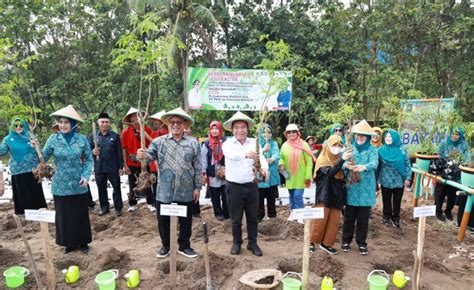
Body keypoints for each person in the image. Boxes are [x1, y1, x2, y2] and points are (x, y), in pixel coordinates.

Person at [137, 107, 202, 259]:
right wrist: (141, 155)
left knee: (186, 221)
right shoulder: (159, 142)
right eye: (172, 122)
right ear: (167, 124)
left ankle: (184, 246)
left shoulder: (193, 144)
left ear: (184, 124)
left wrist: (198, 187)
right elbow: (148, 157)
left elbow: (198, 167)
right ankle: (166, 245)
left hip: (186, 190)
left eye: (179, 122)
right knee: (163, 221)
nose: (176, 125)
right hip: (164, 191)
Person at [41, 105, 93, 254]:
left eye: (66, 122)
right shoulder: (53, 139)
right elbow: (42, 158)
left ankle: (83, 242)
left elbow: (89, 159)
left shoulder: (81, 140)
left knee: (80, 214)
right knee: (64, 215)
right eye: (60, 122)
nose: (62, 125)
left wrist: (86, 176)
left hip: (78, 183)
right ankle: (68, 243)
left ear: (73, 124)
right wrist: (35, 149)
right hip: (60, 184)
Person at [222, 111, 268, 256]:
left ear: (247, 129)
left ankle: (252, 243)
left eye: (243, 127)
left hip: (251, 186)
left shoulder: (254, 143)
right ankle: (237, 243)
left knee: (252, 217)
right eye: (237, 127)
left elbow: (262, 159)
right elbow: (230, 155)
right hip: (234, 187)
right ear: (232, 129)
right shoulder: (228, 144)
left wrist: (265, 170)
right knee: (236, 218)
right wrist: (244, 155)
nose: (240, 130)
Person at [341, 120, 378, 256]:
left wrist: (364, 166)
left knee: (363, 219)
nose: (360, 138)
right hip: (352, 187)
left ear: (368, 137)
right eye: (358, 135)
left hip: (366, 189)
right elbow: (342, 162)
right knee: (349, 217)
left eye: (363, 136)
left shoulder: (372, 150)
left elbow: (374, 163)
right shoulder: (350, 148)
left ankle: (362, 243)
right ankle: (346, 240)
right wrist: (347, 166)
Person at [310, 135, 352, 254]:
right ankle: (311, 242)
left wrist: (347, 166)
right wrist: (342, 160)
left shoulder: (339, 159)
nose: (337, 148)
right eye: (334, 145)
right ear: (328, 145)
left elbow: (342, 174)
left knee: (334, 221)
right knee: (320, 220)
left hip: (337, 194)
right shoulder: (322, 159)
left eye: (339, 145)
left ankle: (326, 244)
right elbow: (330, 172)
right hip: (325, 192)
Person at [0, 117, 47, 214]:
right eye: (16, 125)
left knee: (34, 192)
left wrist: (36, 146)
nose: (18, 127)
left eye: (21, 125)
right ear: (12, 126)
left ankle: (38, 213)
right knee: (22, 193)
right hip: (18, 171)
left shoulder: (31, 137)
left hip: (33, 170)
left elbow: (41, 153)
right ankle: (23, 214)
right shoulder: (8, 139)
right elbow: (2, 151)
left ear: (24, 126)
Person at [87, 112, 124, 217]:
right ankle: (104, 208)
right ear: (98, 123)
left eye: (106, 122)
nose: (104, 124)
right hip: (99, 167)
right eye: (102, 122)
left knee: (116, 188)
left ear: (109, 123)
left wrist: (120, 167)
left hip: (113, 167)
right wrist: (92, 152)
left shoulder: (115, 136)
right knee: (101, 188)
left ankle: (118, 208)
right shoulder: (92, 136)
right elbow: (86, 152)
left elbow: (119, 153)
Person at [121, 107, 155, 213]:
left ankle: (151, 203)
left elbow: (153, 145)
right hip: (132, 162)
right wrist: (125, 164)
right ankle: (132, 204)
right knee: (132, 183)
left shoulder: (147, 129)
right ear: (130, 120)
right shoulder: (125, 132)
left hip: (145, 161)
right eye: (132, 117)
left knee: (147, 182)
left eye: (137, 116)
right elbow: (124, 149)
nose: (135, 119)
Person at [435, 127, 471, 221]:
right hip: (443, 171)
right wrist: (449, 155)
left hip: (456, 174)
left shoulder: (464, 145)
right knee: (440, 193)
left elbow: (467, 159)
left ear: (460, 135)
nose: (455, 136)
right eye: (453, 134)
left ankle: (448, 211)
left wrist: (459, 156)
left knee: (452, 194)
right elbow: (439, 155)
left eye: (457, 134)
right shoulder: (444, 143)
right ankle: (438, 211)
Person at [378, 129, 412, 228]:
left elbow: (407, 165)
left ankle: (396, 218)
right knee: (386, 199)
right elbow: (377, 165)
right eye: (386, 137)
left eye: (390, 137)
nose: (388, 138)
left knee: (397, 200)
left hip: (399, 179)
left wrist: (408, 178)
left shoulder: (402, 150)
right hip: (385, 179)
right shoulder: (381, 150)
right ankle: (386, 216)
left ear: (395, 138)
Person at [279, 124, 315, 216]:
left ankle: (300, 215)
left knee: (297, 195)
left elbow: (309, 161)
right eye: (289, 132)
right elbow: (281, 157)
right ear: (286, 134)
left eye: (293, 131)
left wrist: (308, 176)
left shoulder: (304, 144)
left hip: (301, 176)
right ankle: (293, 214)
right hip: (289, 176)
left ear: (297, 133)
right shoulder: (284, 145)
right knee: (291, 196)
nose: (291, 134)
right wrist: (281, 164)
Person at [201, 121, 229, 221]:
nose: (214, 131)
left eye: (216, 128)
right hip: (212, 172)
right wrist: (203, 172)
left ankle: (227, 213)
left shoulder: (226, 142)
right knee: (215, 195)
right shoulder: (206, 144)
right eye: (212, 129)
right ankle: (218, 213)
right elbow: (203, 159)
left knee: (226, 194)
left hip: (225, 172)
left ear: (220, 130)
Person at [257, 124, 280, 222]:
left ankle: (272, 217)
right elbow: (255, 154)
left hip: (272, 175)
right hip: (260, 174)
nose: (267, 135)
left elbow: (277, 154)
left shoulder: (274, 143)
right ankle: (259, 218)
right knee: (259, 198)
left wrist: (273, 158)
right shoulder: (256, 143)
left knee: (271, 198)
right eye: (264, 132)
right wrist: (262, 150)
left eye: (269, 132)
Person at [149, 111, 169, 205]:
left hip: (166, 164)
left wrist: (146, 135)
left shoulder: (168, 132)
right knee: (155, 183)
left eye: (157, 121)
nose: (156, 123)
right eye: (155, 121)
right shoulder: (154, 133)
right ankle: (156, 203)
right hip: (154, 164)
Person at [184, 127, 201, 218]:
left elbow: (198, 161)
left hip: (193, 171)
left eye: (188, 129)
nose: (186, 130)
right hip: (184, 172)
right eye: (185, 129)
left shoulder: (195, 142)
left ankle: (196, 212)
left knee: (195, 192)